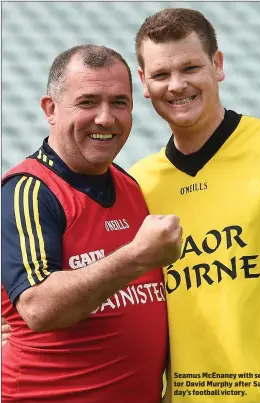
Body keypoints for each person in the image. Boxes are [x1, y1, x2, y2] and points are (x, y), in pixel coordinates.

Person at [1, 44, 183, 403]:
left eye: (119, 102)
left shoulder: (131, 186)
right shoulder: (28, 189)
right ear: (50, 109)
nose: (105, 118)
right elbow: (38, 307)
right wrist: (136, 257)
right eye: (87, 102)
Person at [129, 8, 260, 403]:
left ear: (218, 65)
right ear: (144, 83)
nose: (176, 86)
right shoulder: (137, 185)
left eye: (191, 68)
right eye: (161, 75)